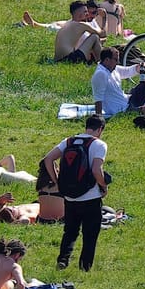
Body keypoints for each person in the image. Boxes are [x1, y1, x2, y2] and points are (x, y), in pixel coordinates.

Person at [41, 116, 108, 273]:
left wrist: (57, 182)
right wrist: (103, 186)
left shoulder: (68, 142)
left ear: (86, 127)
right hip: (91, 197)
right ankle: (85, 267)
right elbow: (96, 170)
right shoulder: (99, 144)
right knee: (90, 234)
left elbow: (48, 159)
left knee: (70, 231)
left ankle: (63, 260)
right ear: (100, 129)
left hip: (70, 196)